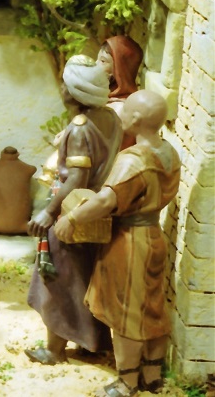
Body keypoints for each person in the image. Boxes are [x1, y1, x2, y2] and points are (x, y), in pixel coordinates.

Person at [55, 90, 180, 396]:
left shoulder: (133, 161)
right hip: (152, 235)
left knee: (126, 315)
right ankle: (152, 375)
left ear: (136, 119)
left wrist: (72, 219)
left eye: (126, 110)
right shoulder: (169, 152)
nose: (120, 113)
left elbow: (105, 201)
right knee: (152, 308)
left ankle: (127, 382)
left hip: (130, 242)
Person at [25, 54, 123, 365]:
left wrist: (49, 211)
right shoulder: (111, 118)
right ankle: (92, 342)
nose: (62, 89)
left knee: (58, 281)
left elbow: (78, 178)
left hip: (73, 211)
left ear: (75, 92)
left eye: (66, 84)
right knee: (84, 279)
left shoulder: (80, 128)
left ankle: (54, 350)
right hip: (96, 211)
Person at [97, 35, 144, 149]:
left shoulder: (119, 109)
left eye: (102, 61)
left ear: (120, 69)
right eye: (97, 59)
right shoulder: (106, 98)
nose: (95, 65)